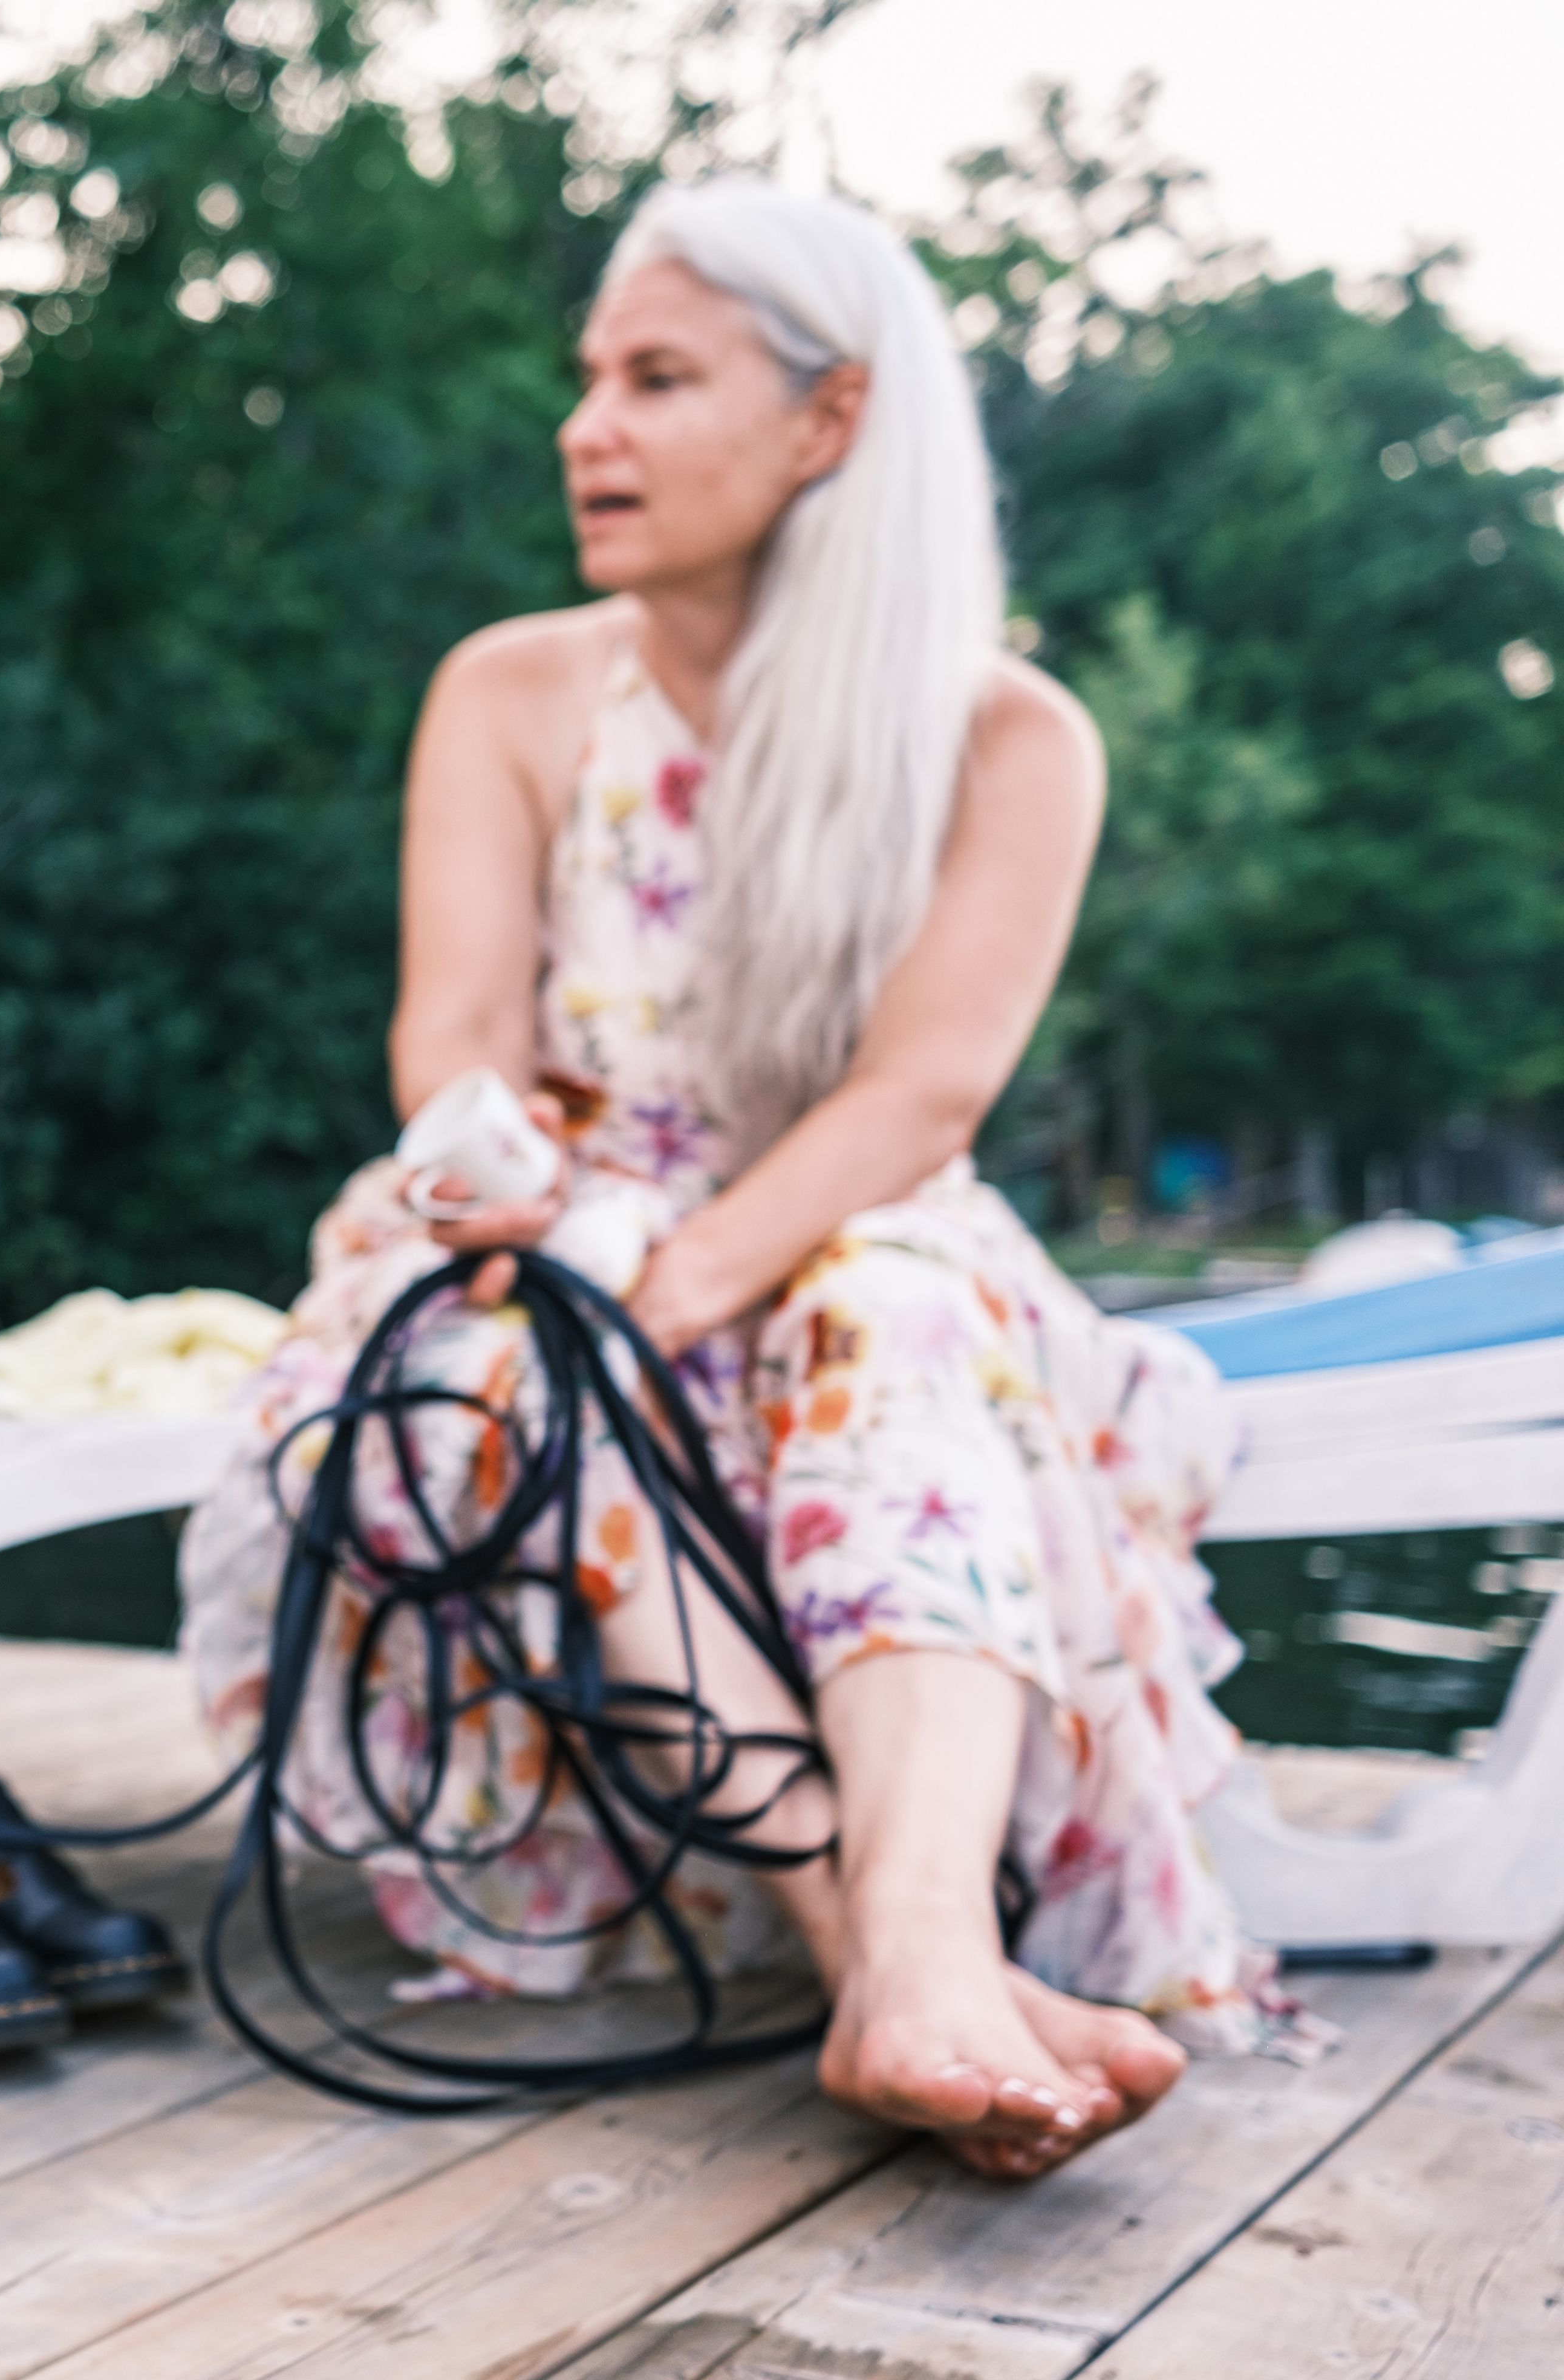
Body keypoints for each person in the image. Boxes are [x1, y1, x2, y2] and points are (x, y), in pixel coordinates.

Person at [177, 179, 1315, 2183]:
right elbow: (447, 1035)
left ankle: (925, 1953)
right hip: (540, 1221)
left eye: (657, 378)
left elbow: (921, 1097)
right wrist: (523, 1181)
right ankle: (891, 1959)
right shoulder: (512, 692)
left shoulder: (1008, 737)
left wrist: (678, 1271)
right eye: (590, 377)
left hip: (838, 1221)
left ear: (830, 418)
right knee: (526, 1357)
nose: (583, 426)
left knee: (882, 1307)